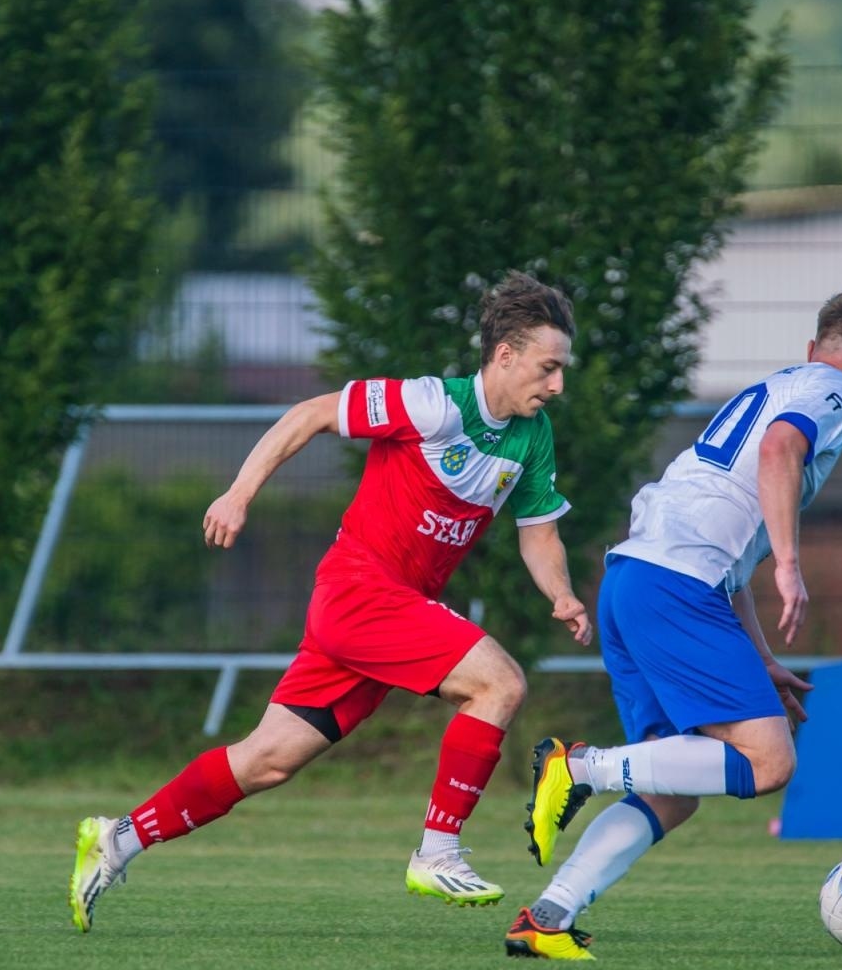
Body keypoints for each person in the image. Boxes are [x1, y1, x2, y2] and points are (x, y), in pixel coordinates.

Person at [70, 270, 594, 933]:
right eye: (548, 368)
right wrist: (238, 493)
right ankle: (438, 848)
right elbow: (311, 413)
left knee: (267, 759)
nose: (557, 385)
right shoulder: (433, 405)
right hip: (361, 592)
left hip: (387, 610)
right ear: (506, 354)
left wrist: (562, 593)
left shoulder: (532, 437)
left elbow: (539, 532)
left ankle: (119, 837)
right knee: (500, 683)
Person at [505, 286, 842, 961]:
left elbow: (732, 555)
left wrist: (761, 657)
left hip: (636, 579)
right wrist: (791, 563)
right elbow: (781, 451)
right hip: (675, 587)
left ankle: (547, 916)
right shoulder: (837, 391)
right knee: (770, 761)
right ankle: (580, 766)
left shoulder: (783, 382)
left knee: (670, 789)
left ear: (812, 346)